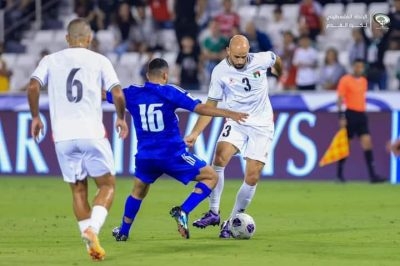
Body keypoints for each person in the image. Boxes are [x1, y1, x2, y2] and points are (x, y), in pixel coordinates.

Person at [107, 58, 248, 241]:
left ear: (147, 75)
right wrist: (230, 114)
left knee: (138, 191)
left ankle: (123, 231)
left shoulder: (132, 92)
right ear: (165, 75)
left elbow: (110, 95)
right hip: (172, 155)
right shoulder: (169, 91)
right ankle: (183, 211)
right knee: (211, 176)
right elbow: (201, 108)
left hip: (145, 157)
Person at [27, 18, 128, 261]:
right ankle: (93, 228)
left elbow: (32, 87)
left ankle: (90, 244)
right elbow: (117, 93)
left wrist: (35, 117)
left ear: (66, 38)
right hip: (91, 132)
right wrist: (121, 118)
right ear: (90, 38)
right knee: (107, 185)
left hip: (62, 136)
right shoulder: (100, 60)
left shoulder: (50, 60)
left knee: (78, 190)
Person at [185, 35, 282, 238]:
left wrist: (279, 72)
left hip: (261, 124)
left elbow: (276, 59)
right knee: (219, 158)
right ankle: (213, 212)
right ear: (228, 50)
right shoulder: (219, 71)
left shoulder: (261, 59)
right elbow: (210, 106)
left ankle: (231, 222)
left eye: (243, 57)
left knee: (252, 175)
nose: (240, 61)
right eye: (236, 56)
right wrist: (195, 133)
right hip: (236, 121)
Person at [336, 59, 386, 183]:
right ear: (353, 67)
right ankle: (339, 174)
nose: (359, 69)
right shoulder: (345, 80)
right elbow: (340, 99)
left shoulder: (364, 81)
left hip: (361, 115)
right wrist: (341, 116)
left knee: (367, 143)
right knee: (346, 145)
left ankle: (372, 175)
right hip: (350, 114)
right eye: (357, 66)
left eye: (361, 67)